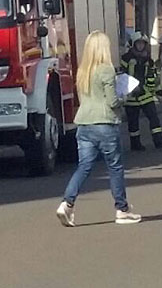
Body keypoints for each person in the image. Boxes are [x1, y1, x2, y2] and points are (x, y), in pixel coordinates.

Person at [56, 31, 142, 227]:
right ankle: (122, 210)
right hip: (104, 123)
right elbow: (112, 101)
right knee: (115, 167)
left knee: (84, 166)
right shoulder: (106, 70)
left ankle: (67, 203)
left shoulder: (83, 70)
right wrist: (124, 97)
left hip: (84, 124)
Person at [121, 32, 162, 151]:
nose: (141, 46)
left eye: (143, 43)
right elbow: (122, 76)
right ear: (133, 44)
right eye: (138, 43)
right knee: (133, 123)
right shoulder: (126, 59)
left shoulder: (149, 60)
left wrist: (158, 92)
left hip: (146, 95)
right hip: (131, 97)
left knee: (154, 119)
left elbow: (153, 77)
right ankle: (135, 144)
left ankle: (159, 141)